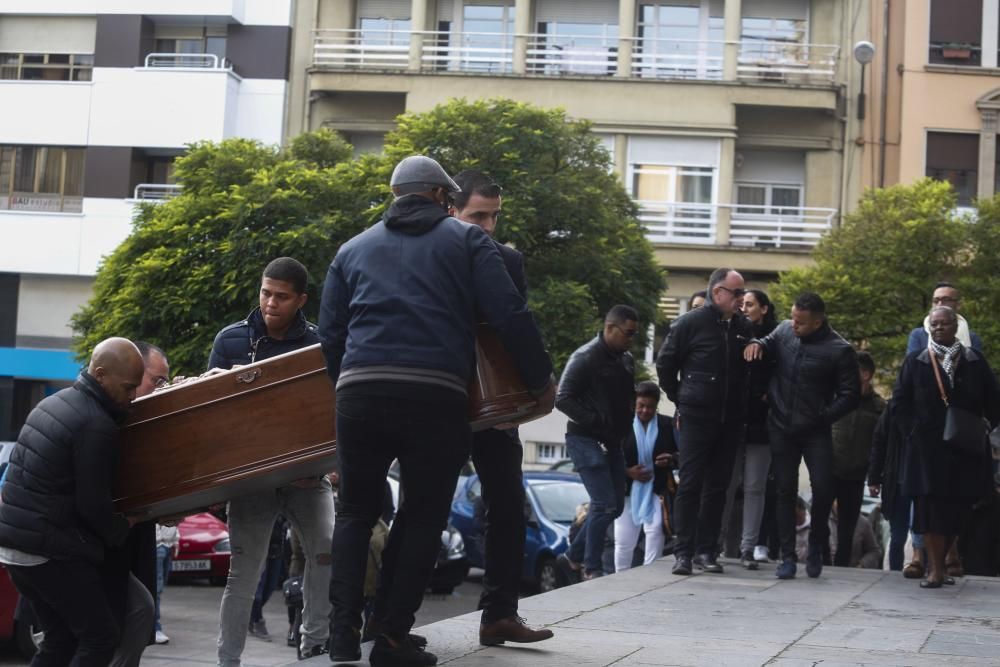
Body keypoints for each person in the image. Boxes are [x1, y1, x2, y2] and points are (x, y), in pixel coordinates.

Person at [319, 155, 554, 666]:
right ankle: (393, 638)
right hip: (435, 394)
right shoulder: (468, 242)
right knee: (422, 514)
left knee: (356, 512)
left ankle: (341, 633)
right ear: (438, 196)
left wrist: (347, 385)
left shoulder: (351, 250)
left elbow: (331, 336)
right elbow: (509, 313)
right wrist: (539, 380)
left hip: (359, 394)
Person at [209, 257, 336, 664]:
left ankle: (314, 643)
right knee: (242, 573)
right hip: (252, 481)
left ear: (301, 300)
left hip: (307, 476)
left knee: (327, 549)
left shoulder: (321, 344)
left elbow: (333, 411)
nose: (270, 303)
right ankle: (227, 659)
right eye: (266, 293)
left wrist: (322, 466)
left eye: (282, 297)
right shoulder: (229, 340)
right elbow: (209, 412)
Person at [448, 170, 551, 644]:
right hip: (440, 397)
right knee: (423, 505)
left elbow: (514, 326)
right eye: (477, 215)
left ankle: (499, 613)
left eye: (494, 216)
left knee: (508, 503)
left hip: (494, 405)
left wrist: (529, 391)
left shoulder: (509, 260)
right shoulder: (436, 254)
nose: (487, 226)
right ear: (452, 210)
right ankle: (391, 623)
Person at [0, 338, 144, 666]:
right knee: (100, 638)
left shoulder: (54, 403)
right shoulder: (96, 424)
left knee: (60, 639)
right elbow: (92, 505)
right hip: (47, 552)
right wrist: (123, 525)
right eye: (128, 388)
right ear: (101, 374)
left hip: (14, 546)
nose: (133, 397)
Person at [744, 292, 860, 580]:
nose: (794, 325)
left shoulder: (839, 349)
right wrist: (757, 343)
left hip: (815, 429)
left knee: (822, 488)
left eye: (801, 322)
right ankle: (787, 556)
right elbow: (768, 342)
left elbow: (850, 395)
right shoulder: (784, 330)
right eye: (793, 318)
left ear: (818, 322)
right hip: (781, 424)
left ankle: (817, 545)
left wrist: (822, 416)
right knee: (784, 489)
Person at [892, 305, 1000, 588]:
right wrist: (913, 432)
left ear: (956, 327)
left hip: (964, 449)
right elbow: (899, 403)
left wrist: (986, 430)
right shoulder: (916, 361)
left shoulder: (974, 360)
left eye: (944, 324)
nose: (939, 328)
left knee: (960, 509)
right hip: (926, 450)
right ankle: (935, 569)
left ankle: (945, 562)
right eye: (934, 324)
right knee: (929, 509)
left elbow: (993, 400)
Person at [656, 268, 752, 576]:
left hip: (730, 419)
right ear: (718, 292)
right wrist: (682, 398)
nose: (741, 299)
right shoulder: (689, 323)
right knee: (691, 483)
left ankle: (707, 550)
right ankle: (683, 552)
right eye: (736, 293)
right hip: (697, 416)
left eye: (743, 294)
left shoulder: (743, 328)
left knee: (718, 487)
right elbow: (666, 363)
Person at [905, 282, 983, 579]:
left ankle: (950, 554)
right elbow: (907, 389)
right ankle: (923, 558)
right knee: (924, 500)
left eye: (947, 301)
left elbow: (984, 392)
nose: (937, 326)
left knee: (956, 503)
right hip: (926, 439)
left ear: (957, 308)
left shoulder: (972, 346)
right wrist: (912, 429)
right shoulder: (917, 341)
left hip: (960, 440)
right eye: (936, 301)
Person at [555, 305, 639, 580]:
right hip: (585, 438)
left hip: (612, 440)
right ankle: (592, 568)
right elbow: (563, 398)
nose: (630, 339)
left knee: (614, 505)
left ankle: (572, 557)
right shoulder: (585, 357)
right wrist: (596, 421)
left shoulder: (626, 359)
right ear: (610, 328)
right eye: (627, 333)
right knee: (603, 504)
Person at [102, 341, 170, 666]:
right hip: (101, 550)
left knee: (139, 616)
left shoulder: (144, 419)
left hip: (131, 547)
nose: (161, 389)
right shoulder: (103, 420)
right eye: (156, 381)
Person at [613, 381, 677, 572]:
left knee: (655, 530)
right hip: (627, 491)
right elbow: (610, 455)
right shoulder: (622, 424)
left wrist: (671, 459)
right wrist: (628, 471)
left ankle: (650, 574)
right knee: (624, 540)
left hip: (656, 489)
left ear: (656, 406)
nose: (645, 411)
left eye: (650, 407)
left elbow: (681, 453)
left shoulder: (667, 425)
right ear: (634, 404)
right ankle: (620, 576)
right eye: (641, 406)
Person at [830, 351, 886, 567]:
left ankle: (842, 566)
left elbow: (880, 445)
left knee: (848, 524)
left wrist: (874, 476)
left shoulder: (880, 408)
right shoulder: (836, 399)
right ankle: (821, 559)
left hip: (856, 475)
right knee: (821, 520)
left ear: (865, 374)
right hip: (829, 468)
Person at [737, 289, 778, 569]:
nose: (744, 309)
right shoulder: (731, 332)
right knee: (725, 485)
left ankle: (748, 547)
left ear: (764, 309)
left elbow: (786, 373)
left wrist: (770, 394)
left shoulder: (778, 338)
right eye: (741, 304)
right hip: (732, 421)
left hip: (762, 423)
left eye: (749, 305)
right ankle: (712, 546)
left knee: (755, 486)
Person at [868, 402, 910, 571]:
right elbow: (879, 442)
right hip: (899, 481)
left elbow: (878, 442)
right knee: (898, 536)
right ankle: (895, 573)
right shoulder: (894, 408)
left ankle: (927, 568)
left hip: (911, 481)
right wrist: (874, 477)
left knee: (916, 535)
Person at [154, 522, 178, 645]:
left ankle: (153, 627)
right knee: (156, 589)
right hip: (159, 545)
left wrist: (175, 540)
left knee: (160, 588)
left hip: (168, 545)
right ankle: (155, 628)